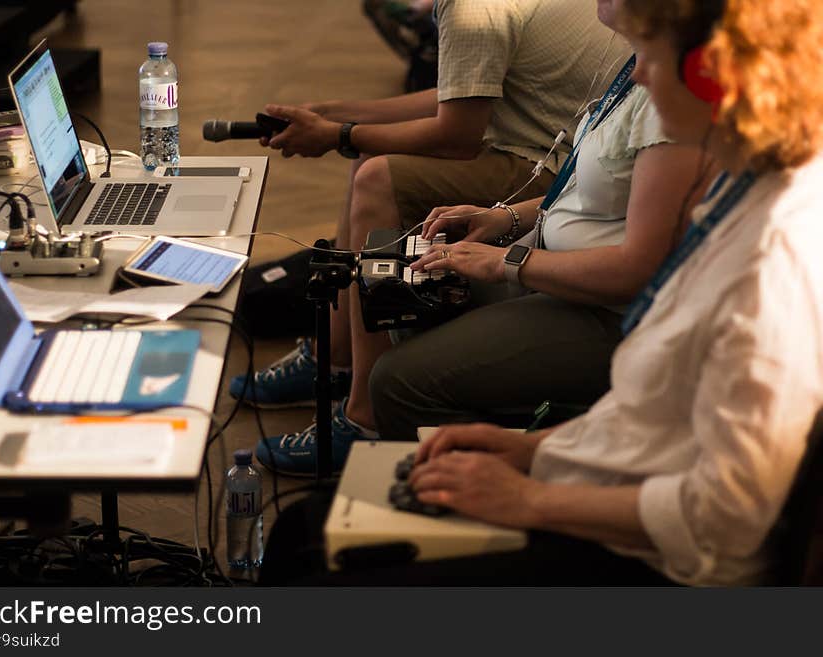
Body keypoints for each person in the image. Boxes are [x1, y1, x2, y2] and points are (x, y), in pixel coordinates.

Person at [262, 0, 823, 586]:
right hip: (603, 481)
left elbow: (723, 521)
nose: (637, 75)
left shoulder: (772, 264)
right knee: (306, 529)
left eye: (652, 59)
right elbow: (654, 414)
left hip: (652, 559)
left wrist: (526, 498)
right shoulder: (740, 189)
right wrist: (533, 452)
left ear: (709, 74)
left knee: (307, 550)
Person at [250, 0, 709, 475]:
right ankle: (345, 368)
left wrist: (505, 262)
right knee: (404, 295)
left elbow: (458, 132)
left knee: (396, 371)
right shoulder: (638, 67)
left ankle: (389, 436)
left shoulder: (666, 98)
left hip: (605, 306)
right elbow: (592, 193)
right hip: (551, 247)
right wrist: (507, 219)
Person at [231, 0, 629, 408]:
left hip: (552, 169)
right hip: (563, 159)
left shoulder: (469, 7)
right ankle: (335, 357)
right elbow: (459, 93)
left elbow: (457, 135)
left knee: (377, 177)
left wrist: (339, 135)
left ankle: (363, 409)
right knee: (369, 165)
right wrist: (333, 117)